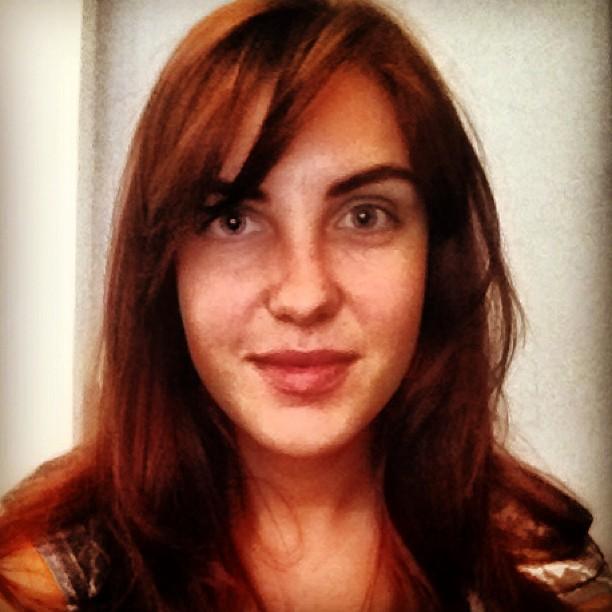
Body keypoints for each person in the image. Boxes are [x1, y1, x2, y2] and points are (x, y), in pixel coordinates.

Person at [0, 0, 610, 610]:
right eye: (233, 220)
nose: (304, 297)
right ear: (163, 267)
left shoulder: (544, 578)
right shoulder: (38, 585)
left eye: (365, 216)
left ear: (435, 256)